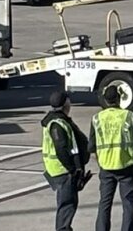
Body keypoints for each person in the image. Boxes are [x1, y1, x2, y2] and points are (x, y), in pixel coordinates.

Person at [89, 86, 133, 231]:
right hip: (127, 167)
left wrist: (101, 162)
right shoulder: (128, 116)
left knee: (104, 203)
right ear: (119, 98)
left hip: (106, 167)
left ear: (105, 100)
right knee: (128, 203)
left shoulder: (96, 119)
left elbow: (92, 148)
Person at [42, 91, 90, 231]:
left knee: (68, 204)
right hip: (62, 171)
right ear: (65, 104)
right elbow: (61, 148)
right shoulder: (57, 124)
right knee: (66, 205)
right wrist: (73, 169)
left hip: (61, 170)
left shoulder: (59, 120)